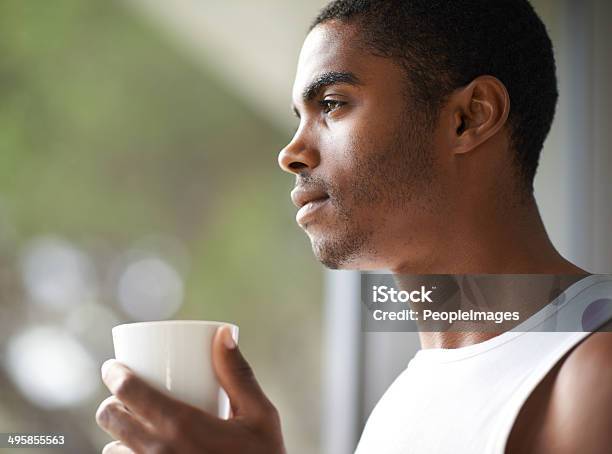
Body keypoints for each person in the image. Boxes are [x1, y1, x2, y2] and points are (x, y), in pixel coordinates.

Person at [96, 1, 612, 453]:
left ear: (469, 118)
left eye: (332, 104)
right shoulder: (402, 402)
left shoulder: (594, 375)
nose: (291, 152)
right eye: (298, 116)